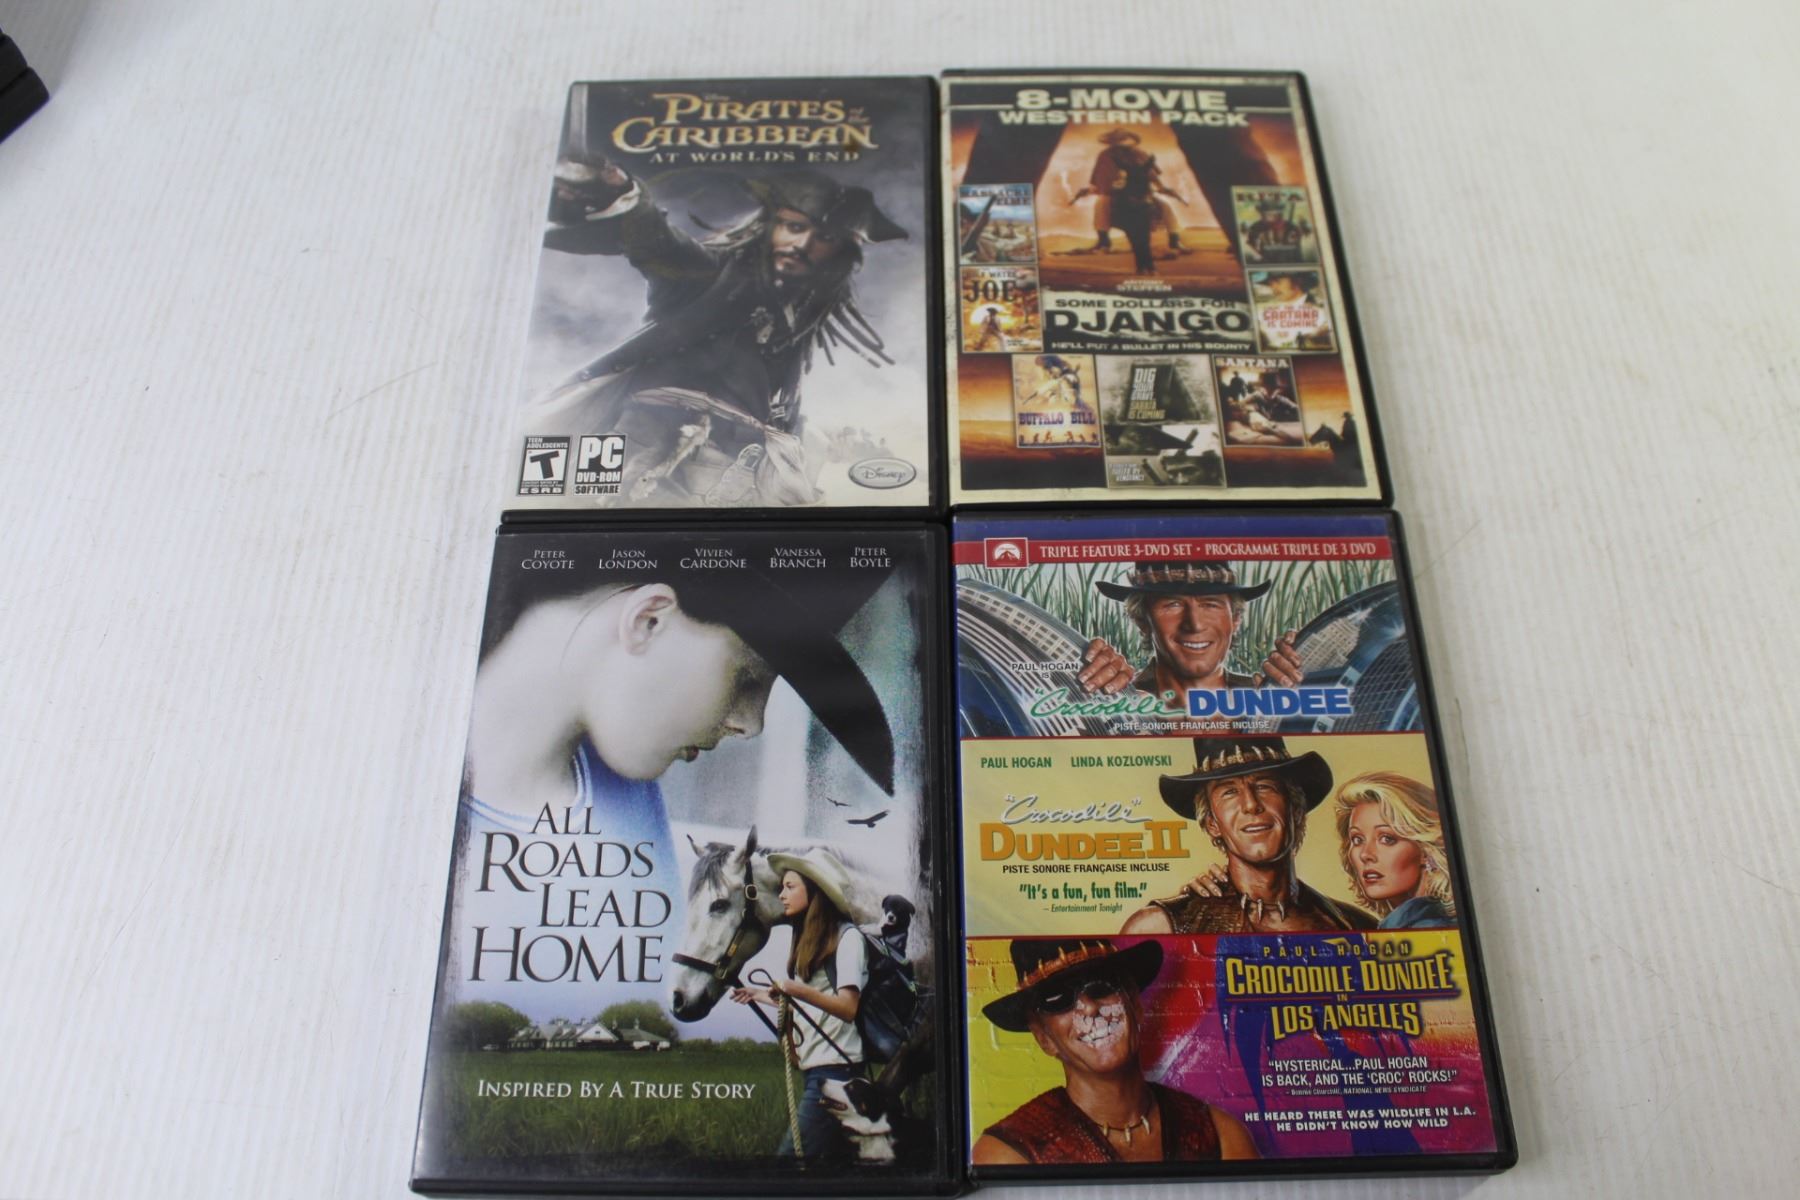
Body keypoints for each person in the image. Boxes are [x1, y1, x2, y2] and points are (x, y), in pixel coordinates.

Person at [534, 158, 908, 504]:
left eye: (825, 238)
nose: (802, 245)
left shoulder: (799, 315)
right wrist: (619, 192)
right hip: (641, 433)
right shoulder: (709, 273)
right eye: (794, 227)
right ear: (770, 227)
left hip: (727, 460)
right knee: (586, 510)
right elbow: (658, 241)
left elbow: (774, 403)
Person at [972, 939, 1256, 1165]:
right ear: (1044, 1038)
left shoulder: (1222, 1136)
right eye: (1057, 999)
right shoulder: (1007, 1154)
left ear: (1135, 1003)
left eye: (1101, 984)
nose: (1089, 1008)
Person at [1122, 737, 1377, 934]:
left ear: (1296, 810)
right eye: (1229, 792)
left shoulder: (1356, 926)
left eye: (1265, 786)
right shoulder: (1162, 926)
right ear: (1212, 823)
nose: (1251, 805)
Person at [730, 850, 869, 1163]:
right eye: (782, 887)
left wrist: (795, 989)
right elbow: (815, 1006)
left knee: (788, 1162)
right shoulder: (810, 942)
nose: (781, 894)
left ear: (815, 891)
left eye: (790, 886)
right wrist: (762, 996)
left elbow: (847, 1008)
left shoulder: (848, 939)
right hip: (819, 1071)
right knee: (829, 1166)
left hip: (836, 1075)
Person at [1078, 561, 1306, 704]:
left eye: (1210, 604)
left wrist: (1307, 684)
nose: (1195, 624)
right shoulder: (1121, 701)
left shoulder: (1266, 697)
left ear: (1235, 619)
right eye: (1173, 604)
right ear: (1142, 620)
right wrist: (1081, 685)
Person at [1334, 773, 1457, 929]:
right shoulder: (1404, 925)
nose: (1365, 854)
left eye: (1387, 839)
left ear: (1425, 850)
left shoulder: (1427, 928)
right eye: (1357, 839)